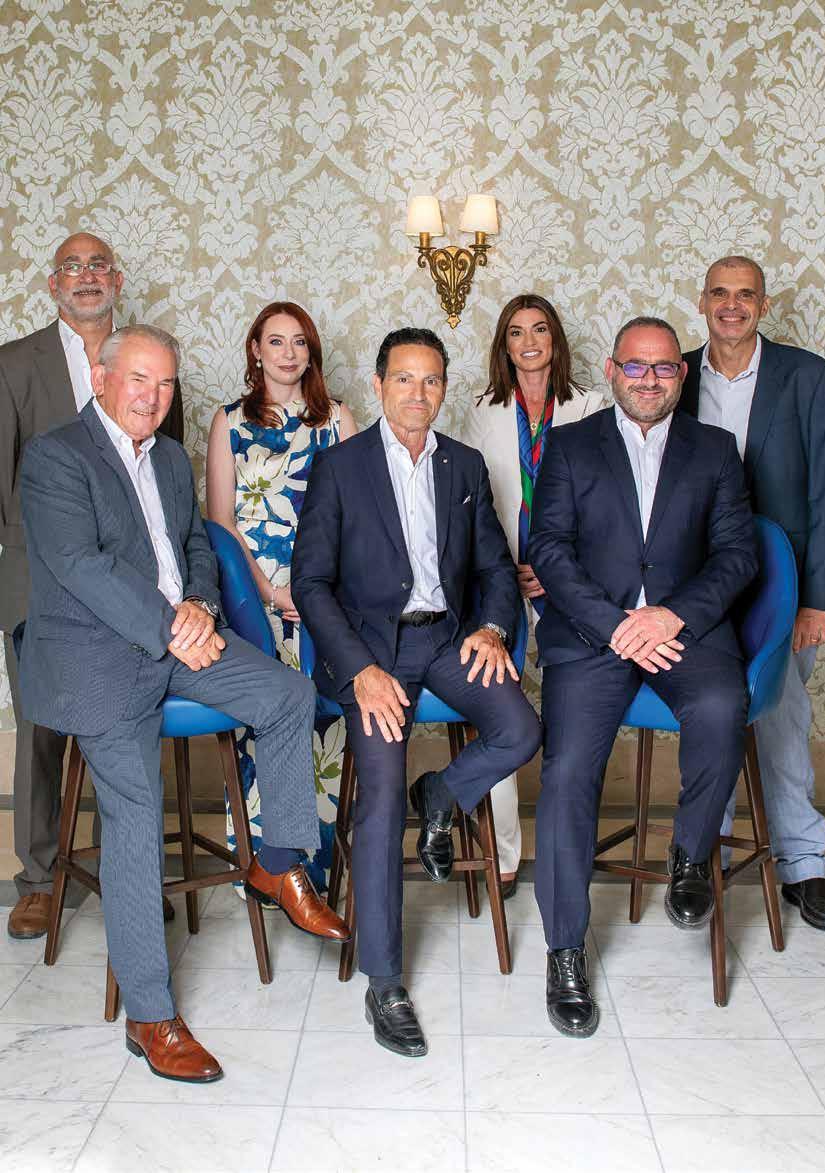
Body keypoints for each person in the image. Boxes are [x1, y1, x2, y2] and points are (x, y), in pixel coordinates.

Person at [18, 325, 349, 1083]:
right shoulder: (56, 456)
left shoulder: (168, 456)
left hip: (182, 637)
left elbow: (196, 545)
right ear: (101, 379)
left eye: (165, 383)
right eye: (139, 379)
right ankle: (150, 1014)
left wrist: (199, 606)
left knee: (289, 694)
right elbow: (80, 565)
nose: (153, 396)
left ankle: (277, 863)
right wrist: (173, 626)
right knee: (138, 812)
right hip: (100, 654)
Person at [292, 327, 542, 1058]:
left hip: (448, 639)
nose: (418, 393)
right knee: (377, 799)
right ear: (378, 386)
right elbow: (311, 582)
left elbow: (495, 568)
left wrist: (492, 627)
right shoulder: (339, 467)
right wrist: (358, 669)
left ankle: (440, 795)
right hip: (372, 650)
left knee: (522, 729)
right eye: (403, 379)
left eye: (431, 380)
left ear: (443, 388)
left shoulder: (463, 464)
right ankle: (385, 981)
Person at [528, 317, 758, 1038]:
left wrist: (670, 616)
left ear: (681, 375)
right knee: (567, 772)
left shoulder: (715, 449)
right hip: (594, 634)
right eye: (636, 366)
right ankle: (565, 950)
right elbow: (548, 547)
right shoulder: (570, 445)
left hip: (682, 631)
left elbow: (738, 554)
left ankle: (689, 853)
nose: (649, 379)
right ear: (611, 370)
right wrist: (613, 623)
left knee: (722, 705)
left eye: (662, 367)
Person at [0, 232, 184, 940]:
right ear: (52, 284)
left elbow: (165, 476)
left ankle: (126, 874)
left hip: (133, 590)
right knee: (42, 732)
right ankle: (38, 879)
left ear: (118, 279)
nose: (86, 276)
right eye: (71, 267)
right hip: (40, 583)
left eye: (99, 265)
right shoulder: (15, 364)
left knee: (130, 727)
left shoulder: (150, 360)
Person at [680, 255, 825, 930]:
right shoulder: (676, 375)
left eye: (745, 294)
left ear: (764, 306)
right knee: (710, 711)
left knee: (783, 714)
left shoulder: (809, 377)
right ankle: (702, 855)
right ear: (702, 301)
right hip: (698, 586)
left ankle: (803, 860)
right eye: (720, 293)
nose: (731, 305)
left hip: (782, 584)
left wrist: (817, 598)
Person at [206, 302, 357, 888]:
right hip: (254, 595)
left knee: (325, 721)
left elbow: (358, 519)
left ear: (311, 351)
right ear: (256, 350)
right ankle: (267, 869)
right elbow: (221, 522)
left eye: (299, 342)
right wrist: (269, 590)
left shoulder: (337, 419)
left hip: (326, 590)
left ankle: (318, 871)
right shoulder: (229, 422)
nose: (288, 353)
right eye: (276, 341)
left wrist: (317, 590)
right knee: (261, 723)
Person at [465, 293, 605, 895]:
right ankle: (503, 853)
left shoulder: (590, 406)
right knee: (501, 707)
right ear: (504, 345)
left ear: (555, 340)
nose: (529, 341)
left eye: (539, 329)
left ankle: (562, 847)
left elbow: (604, 505)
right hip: (501, 577)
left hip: (569, 580)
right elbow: (473, 502)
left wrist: (557, 568)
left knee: (571, 716)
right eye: (516, 332)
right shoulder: (482, 411)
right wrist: (508, 565)